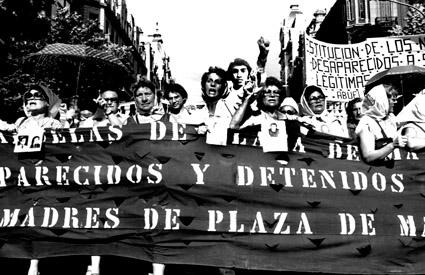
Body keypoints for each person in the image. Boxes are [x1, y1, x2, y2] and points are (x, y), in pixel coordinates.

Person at [229, 76, 299, 151]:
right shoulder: (254, 117)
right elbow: (233, 126)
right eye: (268, 92)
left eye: (276, 92)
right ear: (261, 95)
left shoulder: (286, 118)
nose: (272, 95)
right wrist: (248, 98)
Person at [355, 83, 407, 164]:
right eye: (393, 100)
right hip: (375, 173)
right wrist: (392, 145)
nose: (396, 102)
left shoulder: (390, 118)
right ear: (382, 101)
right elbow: (368, 157)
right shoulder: (367, 123)